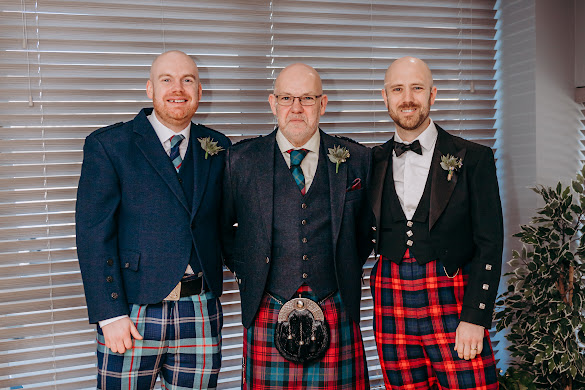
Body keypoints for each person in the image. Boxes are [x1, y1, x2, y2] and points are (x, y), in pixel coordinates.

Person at [75, 50, 230, 389]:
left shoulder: (218, 146)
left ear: (200, 92)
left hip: (200, 309)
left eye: (187, 80)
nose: (178, 88)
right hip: (131, 313)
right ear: (150, 88)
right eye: (167, 79)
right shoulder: (109, 145)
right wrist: (109, 314)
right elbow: (93, 234)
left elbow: (227, 225)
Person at [221, 63, 373, 389]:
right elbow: (223, 230)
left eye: (306, 98)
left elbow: (365, 232)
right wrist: (252, 268)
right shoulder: (241, 160)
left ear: (323, 103)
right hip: (267, 304)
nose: (296, 108)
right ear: (273, 103)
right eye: (287, 97)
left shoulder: (356, 158)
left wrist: (341, 265)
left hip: (335, 304)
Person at [369, 56, 502, 389]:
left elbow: (490, 242)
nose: (407, 98)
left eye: (417, 87)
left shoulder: (473, 158)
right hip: (392, 302)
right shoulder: (371, 162)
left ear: (432, 94)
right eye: (397, 89)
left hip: (452, 302)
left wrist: (475, 316)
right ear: (385, 97)